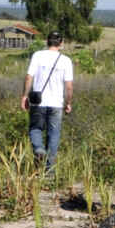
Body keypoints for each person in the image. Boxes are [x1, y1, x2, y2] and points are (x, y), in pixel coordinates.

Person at [21, 32, 75, 174]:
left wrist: (25, 96)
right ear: (61, 43)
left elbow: (28, 77)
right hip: (57, 103)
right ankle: (49, 171)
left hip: (37, 101)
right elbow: (69, 86)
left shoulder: (38, 55)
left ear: (47, 41)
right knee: (54, 134)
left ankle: (38, 148)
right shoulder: (66, 61)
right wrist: (68, 103)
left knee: (35, 128)